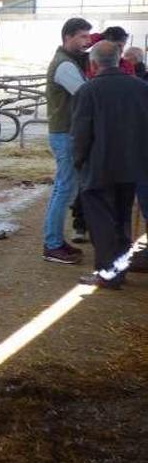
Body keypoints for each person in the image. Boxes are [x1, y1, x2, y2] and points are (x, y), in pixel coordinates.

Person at [70, 40, 148, 288]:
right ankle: (118, 271)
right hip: (131, 168)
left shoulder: (88, 91)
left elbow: (81, 135)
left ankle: (107, 274)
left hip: (98, 169)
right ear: (118, 60)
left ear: (93, 64)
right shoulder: (141, 88)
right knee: (122, 221)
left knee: (102, 225)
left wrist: (78, 162)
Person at [42, 17, 92, 265]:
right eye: (83, 36)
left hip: (65, 132)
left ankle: (55, 241)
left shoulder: (70, 62)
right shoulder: (65, 66)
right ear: (68, 36)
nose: (87, 41)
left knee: (63, 188)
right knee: (64, 189)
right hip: (66, 133)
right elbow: (86, 96)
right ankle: (52, 245)